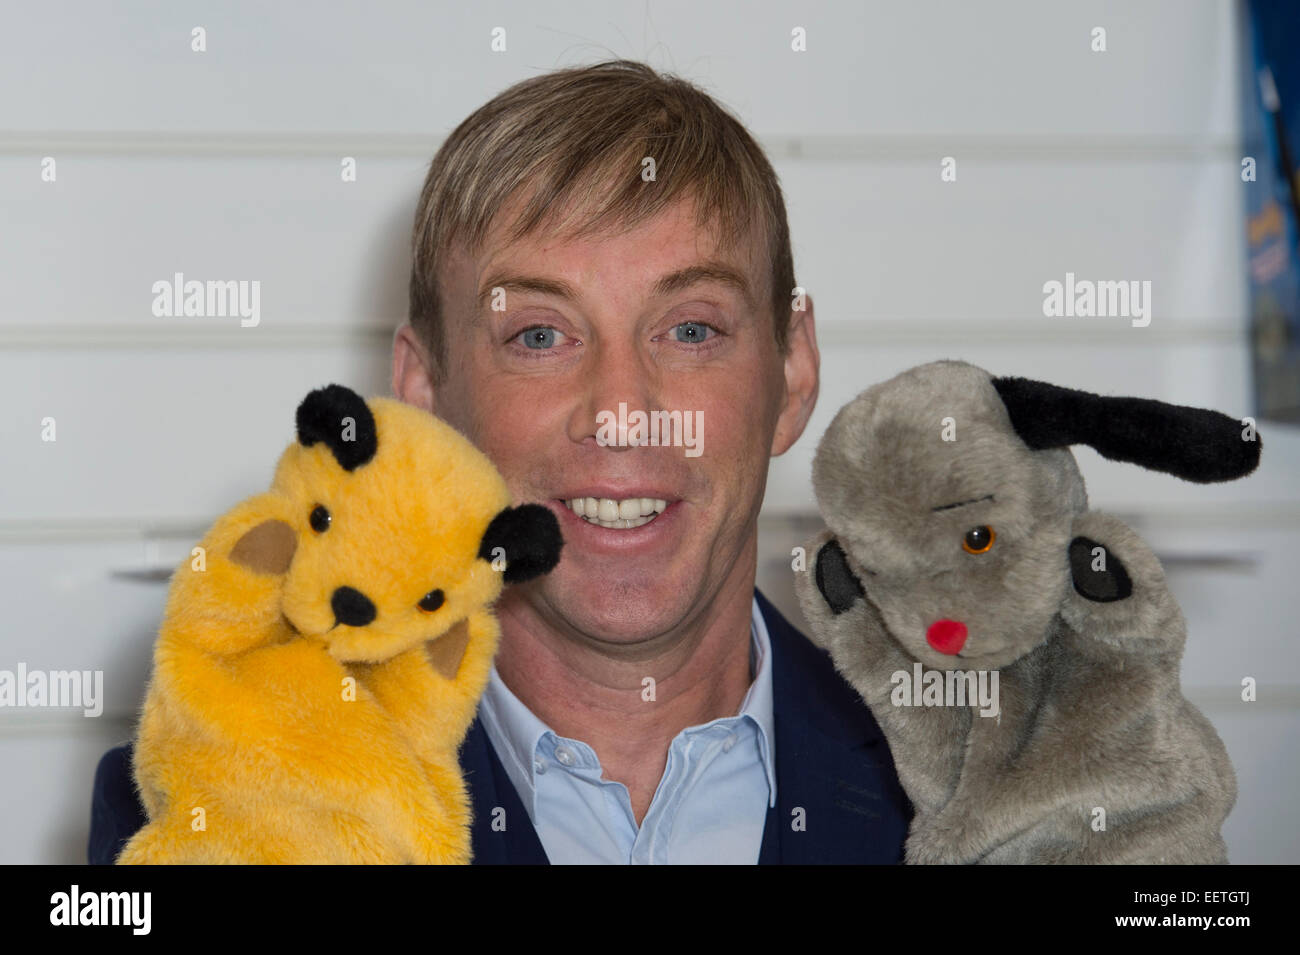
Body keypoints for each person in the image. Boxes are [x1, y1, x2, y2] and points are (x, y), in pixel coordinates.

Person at [89, 59, 911, 865]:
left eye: (690, 329)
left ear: (792, 373)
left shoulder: (974, 787)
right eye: (540, 336)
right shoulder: (213, 791)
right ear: (425, 396)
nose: (620, 414)